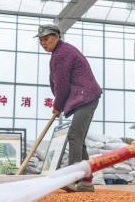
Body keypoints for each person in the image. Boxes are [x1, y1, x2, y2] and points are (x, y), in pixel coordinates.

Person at [37, 24, 103, 193]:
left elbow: (62, 85)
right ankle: (86, 181)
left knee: (74, 136)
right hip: (84, 96)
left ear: (57, 36)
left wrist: (57, 106)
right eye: (40, 40)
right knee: (78, 139)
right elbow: (59, 83)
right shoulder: (59, 53)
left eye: (46, 38)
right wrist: (58, 104)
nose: (43, 43)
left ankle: (72, 178)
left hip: (86, 96)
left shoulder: (62, 53)